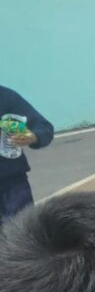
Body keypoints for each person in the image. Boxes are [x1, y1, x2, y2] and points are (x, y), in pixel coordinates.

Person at [0, 86, 53, 225]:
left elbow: (44, 127)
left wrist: (34, 136)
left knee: (23, 232)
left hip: (14, 186)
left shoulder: (6, 97)